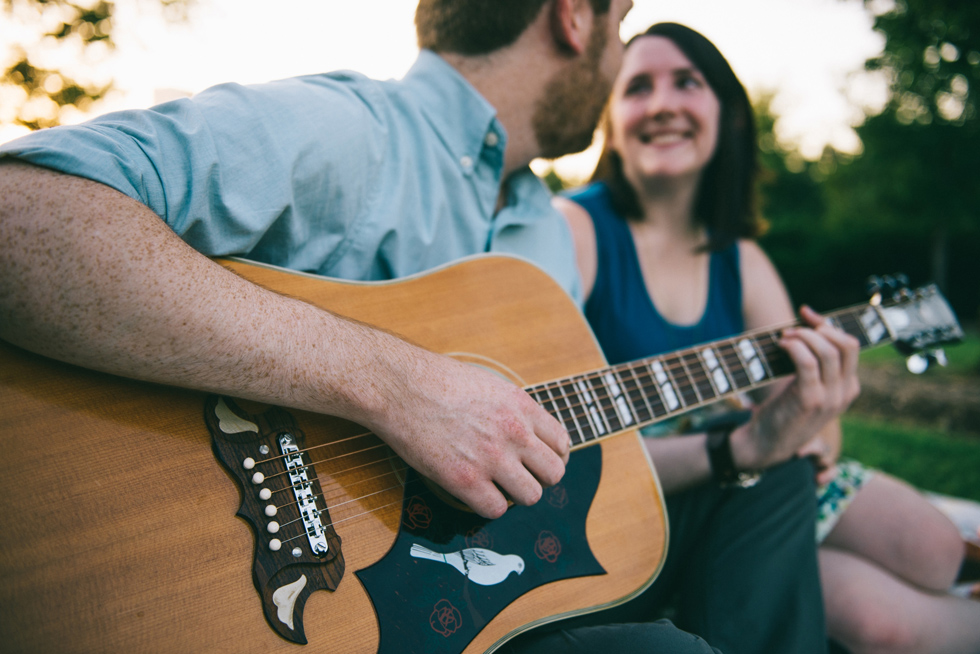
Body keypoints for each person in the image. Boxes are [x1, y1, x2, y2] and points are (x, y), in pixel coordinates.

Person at [0, 2, 859, 650]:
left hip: (467, 604)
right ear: (573, 18)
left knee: (769, 487)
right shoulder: (353, 135)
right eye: (621, 23)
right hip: (250, 592)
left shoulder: (539, 233)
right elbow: (21, 218)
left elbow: (542, 442)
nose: (621, 58)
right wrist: (392, 384)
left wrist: (741, 448)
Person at [555, 21, 980, 654]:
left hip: (765, 477)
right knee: (882, 622)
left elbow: (817, 430)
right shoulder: (576, 230)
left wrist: (816, 409)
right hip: (649, 506)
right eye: (637, 87)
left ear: (725, 115)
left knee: (934, 545)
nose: (664, 103)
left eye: (687, 83)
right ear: (610, 121)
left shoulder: (740, 259)